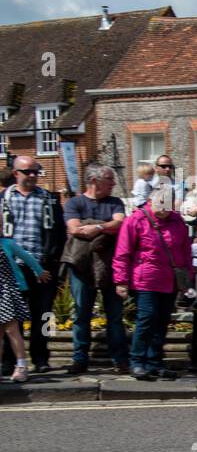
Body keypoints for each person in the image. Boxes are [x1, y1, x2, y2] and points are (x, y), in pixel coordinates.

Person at [112, 180, 195, 380]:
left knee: (162, 322)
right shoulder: (136, 220)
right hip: (145, 279)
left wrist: (187, 280)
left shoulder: (177, 222)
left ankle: (154, 362)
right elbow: (123, 252)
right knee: (146, 319)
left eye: (168, 204)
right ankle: (137, 361)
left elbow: (185, 252)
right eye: (161, 203)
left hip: (169, 280)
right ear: (151, 200)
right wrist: (121, 281)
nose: (164, 209)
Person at [0, 155, 65, 375]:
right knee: (10, 316)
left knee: (44, 315)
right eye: (27, 172)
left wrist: (53, 262)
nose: (33, 176)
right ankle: (9, 361)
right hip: (10, 268)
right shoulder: (3, 198)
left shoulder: (50, 199)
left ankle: (41, 357)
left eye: (36, 171)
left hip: (42, 268)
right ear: (16, 173)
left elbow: (59, 233)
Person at [63, 164, 129, 374]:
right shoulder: (74, 202)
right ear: (94, 180)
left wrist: (96, 227)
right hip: (82, 265)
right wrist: (106, 227)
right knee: (82, 313)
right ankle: (79, 359)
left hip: (110, 265)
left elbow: (120, 224)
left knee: (115, 316)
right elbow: (74, 229)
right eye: (109, 179)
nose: (113, 183)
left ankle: (119, 359)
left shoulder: (115, 202)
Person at [0, 233, 52, 382]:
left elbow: (27, 257)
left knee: (12, 330)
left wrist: (40, 271)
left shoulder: (7, 243)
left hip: (7, 292)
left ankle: (21, 366)